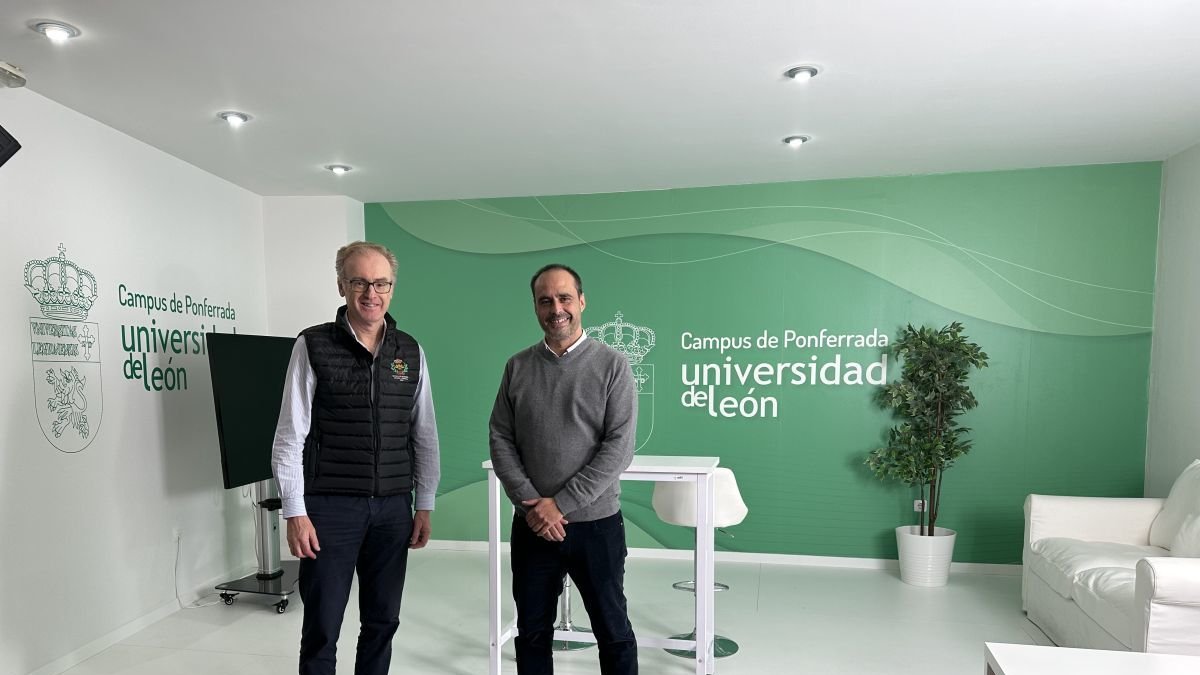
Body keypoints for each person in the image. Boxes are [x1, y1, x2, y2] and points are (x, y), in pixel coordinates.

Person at [271, 241, 440, 675]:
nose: (371, 293)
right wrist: (295, 510)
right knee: (323, 624)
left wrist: (424, 503)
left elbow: (424, 434)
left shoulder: (411, 351)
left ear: (392, 288)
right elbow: (290, 437)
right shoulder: (312, 346)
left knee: (382, 621)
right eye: (360, 281)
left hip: (392, 510)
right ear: (341, 285)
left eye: (381, 283)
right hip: (329, 509)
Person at [489, 263, 639, 675]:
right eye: (545, 300)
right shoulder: (517, 367)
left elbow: (618, 449)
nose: (556, 308)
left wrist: (561, 505)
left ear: (582, 301)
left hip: (596, 526)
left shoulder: (613, 366)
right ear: (535, 307)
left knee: (613, 630)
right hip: (532, 524)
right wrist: (533, 505)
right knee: (532, 632)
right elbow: (500, 438)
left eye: (564, 298)